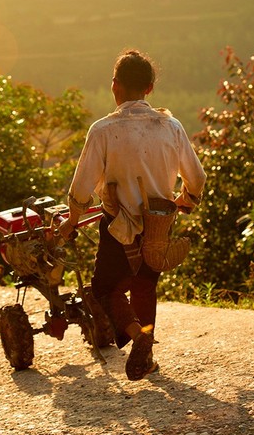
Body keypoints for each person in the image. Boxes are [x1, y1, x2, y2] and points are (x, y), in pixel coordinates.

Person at [58, 49, 206, 380]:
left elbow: (81, 190)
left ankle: (139, 337)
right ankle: (147, 351)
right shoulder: (171, 127)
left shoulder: (102, 130)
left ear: (115, 86)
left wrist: (70, 221)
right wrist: (187, 199)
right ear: (150, 88)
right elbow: (196, 179)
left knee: (104, 289)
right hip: (158, 226)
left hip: (116, 226)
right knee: (144, 286)